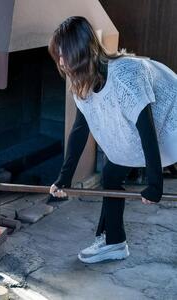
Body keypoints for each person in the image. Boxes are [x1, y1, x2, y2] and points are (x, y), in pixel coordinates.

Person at [48, 16, 177, 263]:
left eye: (64, 55)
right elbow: (79, 130)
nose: (61, 62)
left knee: (112, 172)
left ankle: (111, 240)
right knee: (111, 174)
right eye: (58, 56)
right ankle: (113, 241)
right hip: (151, 128)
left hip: (173, 121)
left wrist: (155, 184)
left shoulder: (125, 76)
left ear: (80, 52)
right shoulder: (82, 82)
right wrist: (64, 178)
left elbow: (147, 131)